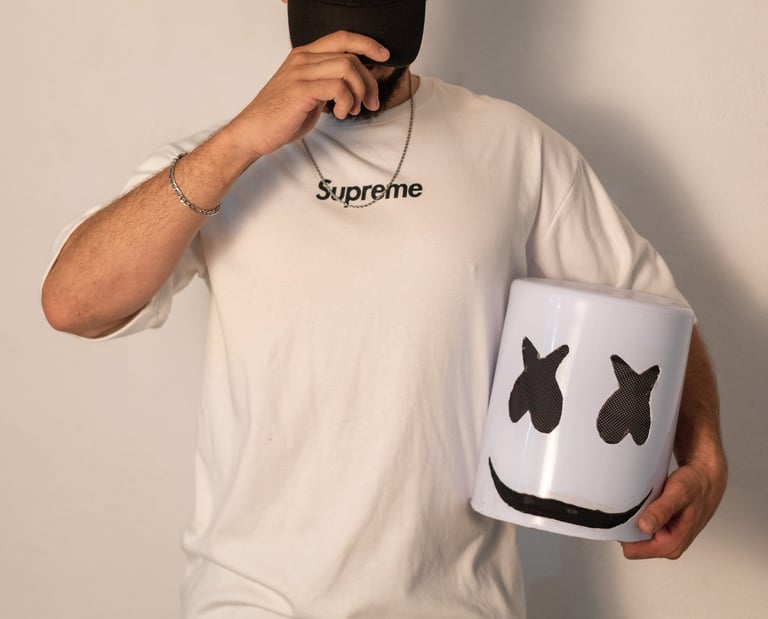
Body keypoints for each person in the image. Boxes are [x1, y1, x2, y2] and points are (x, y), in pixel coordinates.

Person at [41, 1, 727, 617]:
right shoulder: (219, 160)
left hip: (454, 602)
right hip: (248, 599)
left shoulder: (514, 146)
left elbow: (655, 313)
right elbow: (73, 304)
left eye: (370, 40)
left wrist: (702, 455)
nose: (351, 61)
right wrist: (239, 142)